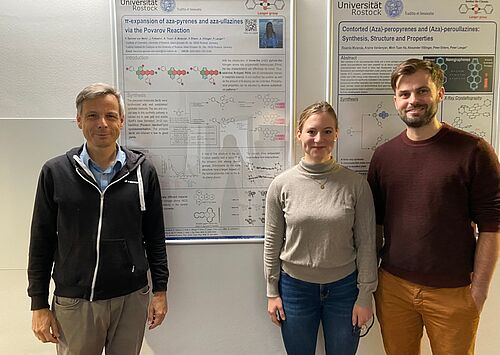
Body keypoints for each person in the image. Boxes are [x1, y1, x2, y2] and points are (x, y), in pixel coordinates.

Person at [367, 58, 500, 355]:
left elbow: (492, 226)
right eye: (405, 94)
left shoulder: (474, 151)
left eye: (422, 91)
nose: (413, 100)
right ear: (396, 101)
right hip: (394, 289)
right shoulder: (383, 156)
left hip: (453, 292)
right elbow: (374, 226)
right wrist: (372, 282)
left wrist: (479, 291)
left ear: (440, 93)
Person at [28, 83, 169, 355]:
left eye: (110, 115)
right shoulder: (55, 172)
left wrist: (160, 291)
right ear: (79, 120)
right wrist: (38, 304)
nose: (102, 123)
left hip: (130, 299)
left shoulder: (143, 172)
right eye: (92, 115)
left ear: (121, 121)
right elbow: (41, 242)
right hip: (75, 301)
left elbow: (154, 236)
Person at [264, 101, 377, 355]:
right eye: (311, 131)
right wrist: (272, 292)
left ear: (336, 134)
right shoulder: (281, 185)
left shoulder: (356, 185)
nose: (319, 139)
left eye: (327, 131)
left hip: (344, 290)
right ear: (299, 134)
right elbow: (272, 244)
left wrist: (365, 295)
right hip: (294, 289)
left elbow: (367, 244)